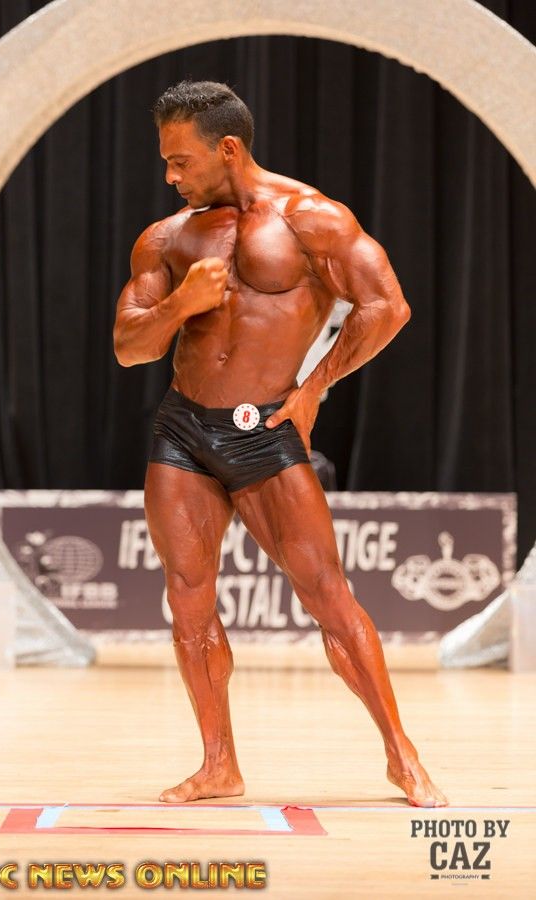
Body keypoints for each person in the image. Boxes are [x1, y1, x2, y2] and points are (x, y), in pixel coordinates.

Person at [113, 80, 447, 808]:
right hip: (183, 430)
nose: (170, 176)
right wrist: (180, 304)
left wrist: (315, 385)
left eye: (181, 161)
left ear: (228, 148)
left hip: (265, 431)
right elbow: (129, 347)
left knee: (328, 596)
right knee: (188, 601)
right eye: (166, 161)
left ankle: (402, 755)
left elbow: (387, 306)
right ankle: (218, 765)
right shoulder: (166, 238)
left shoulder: (311, 219)